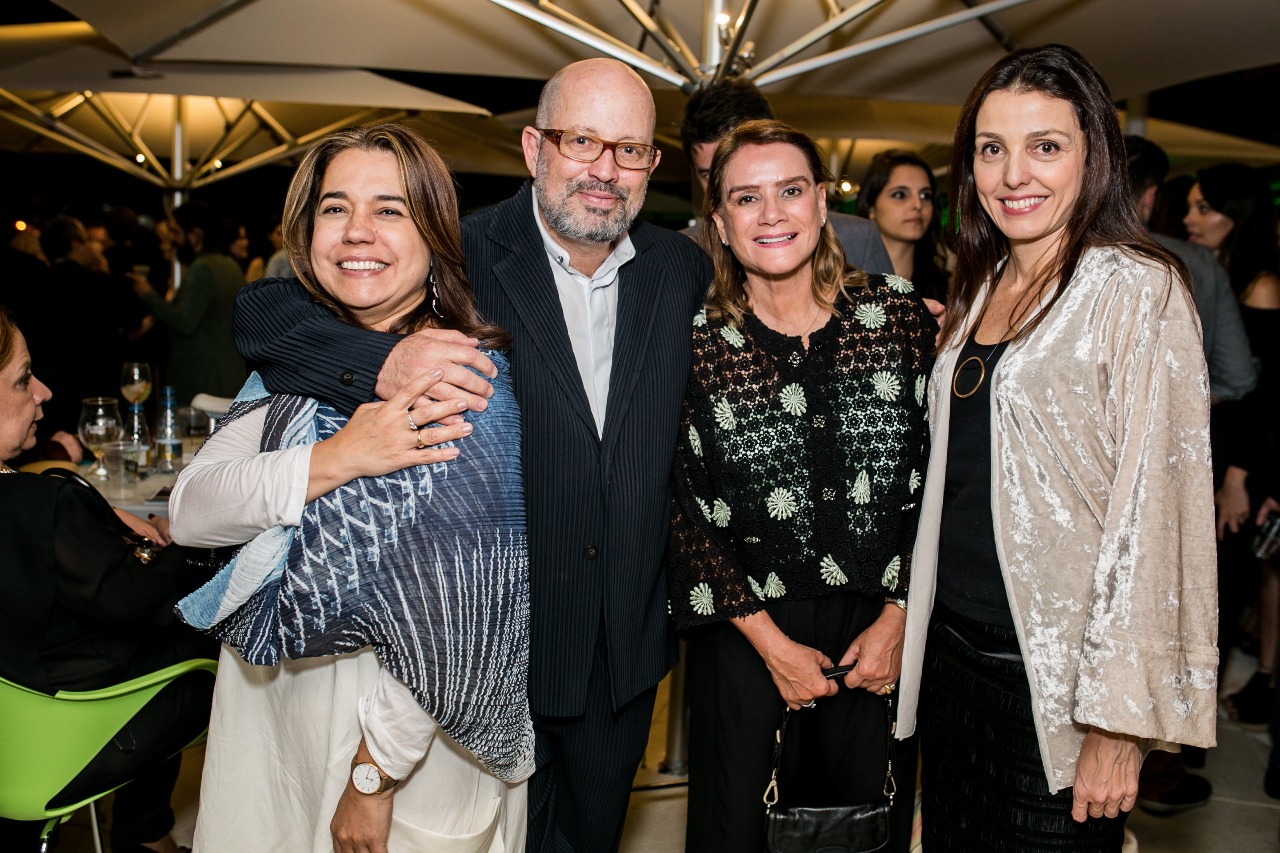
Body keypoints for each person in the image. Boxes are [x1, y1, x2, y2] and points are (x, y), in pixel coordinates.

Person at [229, 59, 712, 853]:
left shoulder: (678, 268)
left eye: (629, 149)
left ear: (653, 165)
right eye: (582, 140)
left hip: (620, 655)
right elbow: (267, 314)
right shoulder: (460, 252)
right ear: (533, 148)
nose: (604, 169)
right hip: (484, 654)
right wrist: (380, 364)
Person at [166, 123, 533, 852]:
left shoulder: (464, 382)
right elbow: (190, 512)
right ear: (307, 231)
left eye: (390, 209)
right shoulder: (292, 365)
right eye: (335, 208)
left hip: (401, 728)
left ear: (434, 233)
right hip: (272, 710)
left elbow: (460, 610)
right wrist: (339, 456)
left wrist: (375, 776)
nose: (357, 231)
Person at [895, 44, 1218, 851]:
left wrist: (1118, 720)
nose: (1014, 175)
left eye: (1045, 146)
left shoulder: (1137, 288)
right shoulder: (983, 280)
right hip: (953, 657)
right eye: (991, 149)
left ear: (1092, 155)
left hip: (1058, 685)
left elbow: (1162, 514)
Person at [666, 119, 930, 853]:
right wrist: (771, 645)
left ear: (821, 202)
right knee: (738, 835)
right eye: (747, 198)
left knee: (864, 830)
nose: (772, 213)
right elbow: (679, 507)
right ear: (719, 221)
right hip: (746, 636)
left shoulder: (898, 315)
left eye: (790, 191)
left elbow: (942, 476)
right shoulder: (692, 342)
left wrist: (901, 616)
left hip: (882, 636)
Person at [0, 307, 215, 853]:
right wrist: (183, 540)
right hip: (48, 745)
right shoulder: (38, 507)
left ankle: (147, 833)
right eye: (24, 378)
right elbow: (144, 601)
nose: (44, 392)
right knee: (217, 653)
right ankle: (149, 835)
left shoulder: (40, 499)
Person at [1123, 135, 1258, 815]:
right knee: (1167, 614)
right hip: (1177, 474)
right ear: (1151, 195)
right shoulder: (1195, 264)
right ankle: (1158, 769)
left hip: (1082, 482)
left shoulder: (1055, 258)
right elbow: (1239, 374)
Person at [1184, 163, 1280, 727]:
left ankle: (1193, 733)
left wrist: (1238, 478)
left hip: (1241, 459)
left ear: (1236, 215)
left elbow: (1263, 395)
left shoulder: (1260, 284)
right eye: (1191, 206)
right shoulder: (1215, 270)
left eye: (1205, 208)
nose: (1192, 220)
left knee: (1217, 588)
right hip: (1214, 450)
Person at [679, 76, 893, 276]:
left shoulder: (857, 238)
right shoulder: (681, 250)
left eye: (791, 191)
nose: (721, 187)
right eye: (710, 176)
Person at [131, 202, 247, 406]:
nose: (172, 239)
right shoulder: (229, 265)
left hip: (202, 379)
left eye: (176, 232)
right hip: (228, 374)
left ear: (194, 234)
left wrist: (148, 294)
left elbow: (184, 323)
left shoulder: (202, 268)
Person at [854, 149, 951, 302]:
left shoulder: (949, 288)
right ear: (871, 208)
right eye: (900, 195)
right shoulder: (844, 285)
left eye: (925, 196)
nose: (917, 204)